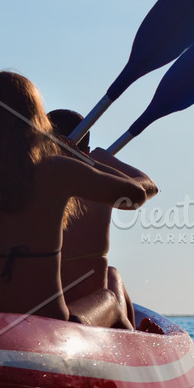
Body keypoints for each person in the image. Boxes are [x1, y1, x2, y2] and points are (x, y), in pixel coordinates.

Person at [0, 71, 156, 323]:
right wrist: (84, 161)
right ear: (36, 122)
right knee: (110, 298)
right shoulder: (59, 170)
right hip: (47, 322)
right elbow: (136, 195)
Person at [48, 107, 138, 330]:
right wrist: (97, 164)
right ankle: (131, 334)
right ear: (86, 151)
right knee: (111, 283)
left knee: (112, 275)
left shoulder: (23, 186)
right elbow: (142, 191)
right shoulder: (99, 185)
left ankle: (132, 334)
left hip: (57, 312)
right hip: (76, 318)